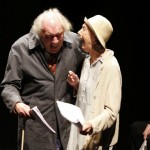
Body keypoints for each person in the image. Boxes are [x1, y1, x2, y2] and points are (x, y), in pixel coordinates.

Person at [0, 8, 85, 150]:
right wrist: (16, 103)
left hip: (68, 129)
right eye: (49, 37)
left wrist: (78, 85)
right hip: (37, 130)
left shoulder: (75, 43)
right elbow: (9, 85)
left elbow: (91, 69)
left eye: (59, 35)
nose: (55, 41)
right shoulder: (20, 48)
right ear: (39, 33)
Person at [66, 15, 122, 150]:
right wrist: (78, 86)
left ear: (95, 38)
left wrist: (92, 124)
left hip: (95, 140)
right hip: (78, 135)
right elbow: (91, 97)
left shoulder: (111, 66)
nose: (79, 33)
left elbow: (111, 112)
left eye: (84, 29)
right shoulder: (87, 60)